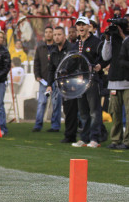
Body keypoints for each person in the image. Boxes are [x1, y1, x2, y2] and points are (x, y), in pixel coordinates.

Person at [71, 16, 108, 148]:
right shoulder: (76, 44)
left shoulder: (96, 42)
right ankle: (84, 138)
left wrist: (100, 66)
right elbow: (71, 62)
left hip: (93, 80)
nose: (81, 27)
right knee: (83, 112)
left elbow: (105, 58)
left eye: (83, 25)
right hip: (80, 82)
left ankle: (95, 138)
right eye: (78, 25)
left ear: (88, 27)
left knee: (94, 111)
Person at [46, 26, 78, 143]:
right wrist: (49, 84)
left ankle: (73, 135)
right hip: (62, 84)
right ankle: (70, 135)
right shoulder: (53, 50)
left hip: (73, 83)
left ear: (64, 35)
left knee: (75, 110)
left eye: (59, 34)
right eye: (55, 35)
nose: (56, 37)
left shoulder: (71, 48)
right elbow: (51, 69)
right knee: (68, 110)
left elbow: (74, 65)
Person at [102, 15, 129, 149]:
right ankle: (116, 140)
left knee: (128, 114)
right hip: (114, 80)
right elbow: (106, 56)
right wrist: (107, 39)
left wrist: (123, 35)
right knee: (115, 112)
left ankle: (127, 141)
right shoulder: (113, 37)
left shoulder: (126, 38)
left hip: (127, 80)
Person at [32, 26, 61, 132]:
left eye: (50, 32)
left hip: (55, 80)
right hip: (43, 80)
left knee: (56, 104)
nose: (48, 34)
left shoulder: (57, 47)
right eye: (46, 32)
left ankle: (55, 126)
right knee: (41, 102)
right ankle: (38, 124)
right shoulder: (40, 48)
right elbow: (36, 63)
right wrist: (37, 75)